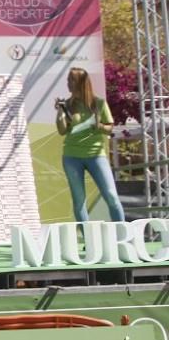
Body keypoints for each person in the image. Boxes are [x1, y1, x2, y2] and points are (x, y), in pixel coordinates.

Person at [54, 67, 125, 223]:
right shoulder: (67, 104)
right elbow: (62, 130)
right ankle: (88, 240)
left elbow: (109, 129)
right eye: (68, 80)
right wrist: (60, 112)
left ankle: (122, 237)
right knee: (79, 201)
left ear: (81, 82)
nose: (68, 83)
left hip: (96, 155)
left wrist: (99, 126)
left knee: (112, 196)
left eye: (71, 80)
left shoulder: (99, 103)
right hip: (72, 156)